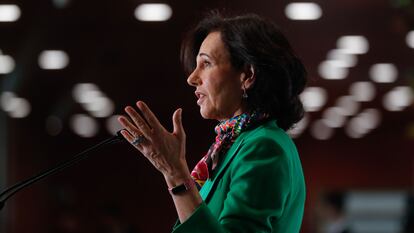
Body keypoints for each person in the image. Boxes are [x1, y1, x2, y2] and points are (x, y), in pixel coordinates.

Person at [117, 11, 307, 233]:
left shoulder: (263, 147)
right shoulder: (231, 146)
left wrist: (176, 173)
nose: (192, 78)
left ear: (247, 75)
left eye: (206, 63)